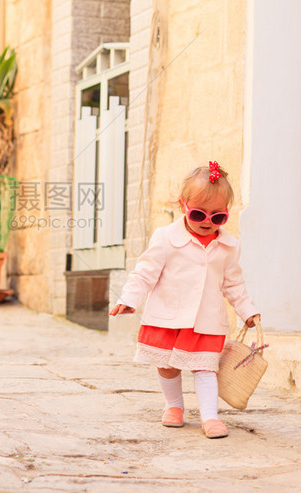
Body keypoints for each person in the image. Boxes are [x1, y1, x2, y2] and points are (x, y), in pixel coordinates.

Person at [109, 161, 260, 439]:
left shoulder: (229, 246)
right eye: (199, 214)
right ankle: (174, 406)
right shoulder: (166, 238)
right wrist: (130, 299)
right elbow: (145, 273)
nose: (206, 222)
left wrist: (247, 311)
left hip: (206, 320)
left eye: (217, 217)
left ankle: (210, 417)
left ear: (227, 214)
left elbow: (233, 284)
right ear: (183, 206)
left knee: (206, 368)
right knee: (167, 365)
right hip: (168, 316)